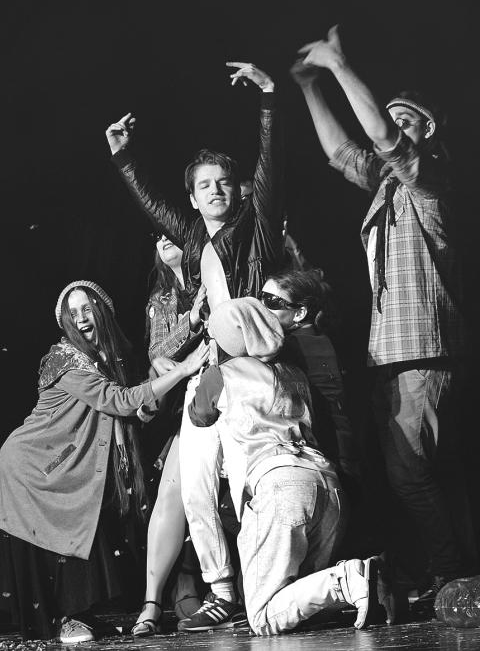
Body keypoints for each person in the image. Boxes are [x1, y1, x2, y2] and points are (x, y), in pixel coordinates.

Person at [293, 25, 477, 609]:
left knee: (410, 473)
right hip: (394, 353)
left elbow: (381, 138)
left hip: (422, 351)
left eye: (404, 120)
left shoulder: (432, 180)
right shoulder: (390, 189)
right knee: (425, 473)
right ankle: (455, 571)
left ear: (428, 131)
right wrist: (308, 87)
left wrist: (338, 65)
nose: (389, 128)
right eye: (389, 115)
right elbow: (341, 152)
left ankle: (452, 574)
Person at [106, 61, 285, 625]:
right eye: (204, 185)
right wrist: (125, 160)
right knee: (195, 485)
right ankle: (221, 590)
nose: (216, 190)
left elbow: (269, 171)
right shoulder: (192, 238)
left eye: (223, 182)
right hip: (209, 375)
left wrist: (268, 102)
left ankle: (267, 587)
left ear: (238, 189)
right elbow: (154, 205)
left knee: (250, 484)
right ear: (193, 197)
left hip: (254, 373)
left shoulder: (255, 231)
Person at [0, 281, 208, 642]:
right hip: (33, 465)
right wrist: (183, 369)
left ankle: (79, 617)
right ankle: (64, 621)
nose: (81, 318)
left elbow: (133, 407)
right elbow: (121, 401)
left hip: (62, 464)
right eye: (73, 313)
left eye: (87, 309)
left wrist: (159, 380)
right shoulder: (65, 359)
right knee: (62, 539)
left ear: (102, 312)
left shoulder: (109, 360)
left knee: (80, 535)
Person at [184, 297, 382, 635]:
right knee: (297, 602)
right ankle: (369, 578)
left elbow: (199, 416)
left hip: (280, 488)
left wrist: (207, 373)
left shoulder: (221, 375)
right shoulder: (295, 373)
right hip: (328, 487)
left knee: (262, 617)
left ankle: (349, 578)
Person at [132, 235, 207, 636]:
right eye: (156, 235)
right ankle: (152, 601)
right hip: (185, 402)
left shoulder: (214, 275)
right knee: (171, 492)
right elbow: (157, 352)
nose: (162, 238)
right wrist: (191, 320)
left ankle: (212, 587)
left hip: (228, 387)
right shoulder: (160, 299)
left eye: (168, 230)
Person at [260, 267, 361, 498]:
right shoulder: (318, 337)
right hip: (338, 452)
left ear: (299, 313)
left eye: (271, 301)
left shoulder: (289, 347)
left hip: (332, 458)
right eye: (261, 297)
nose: (261, 306)